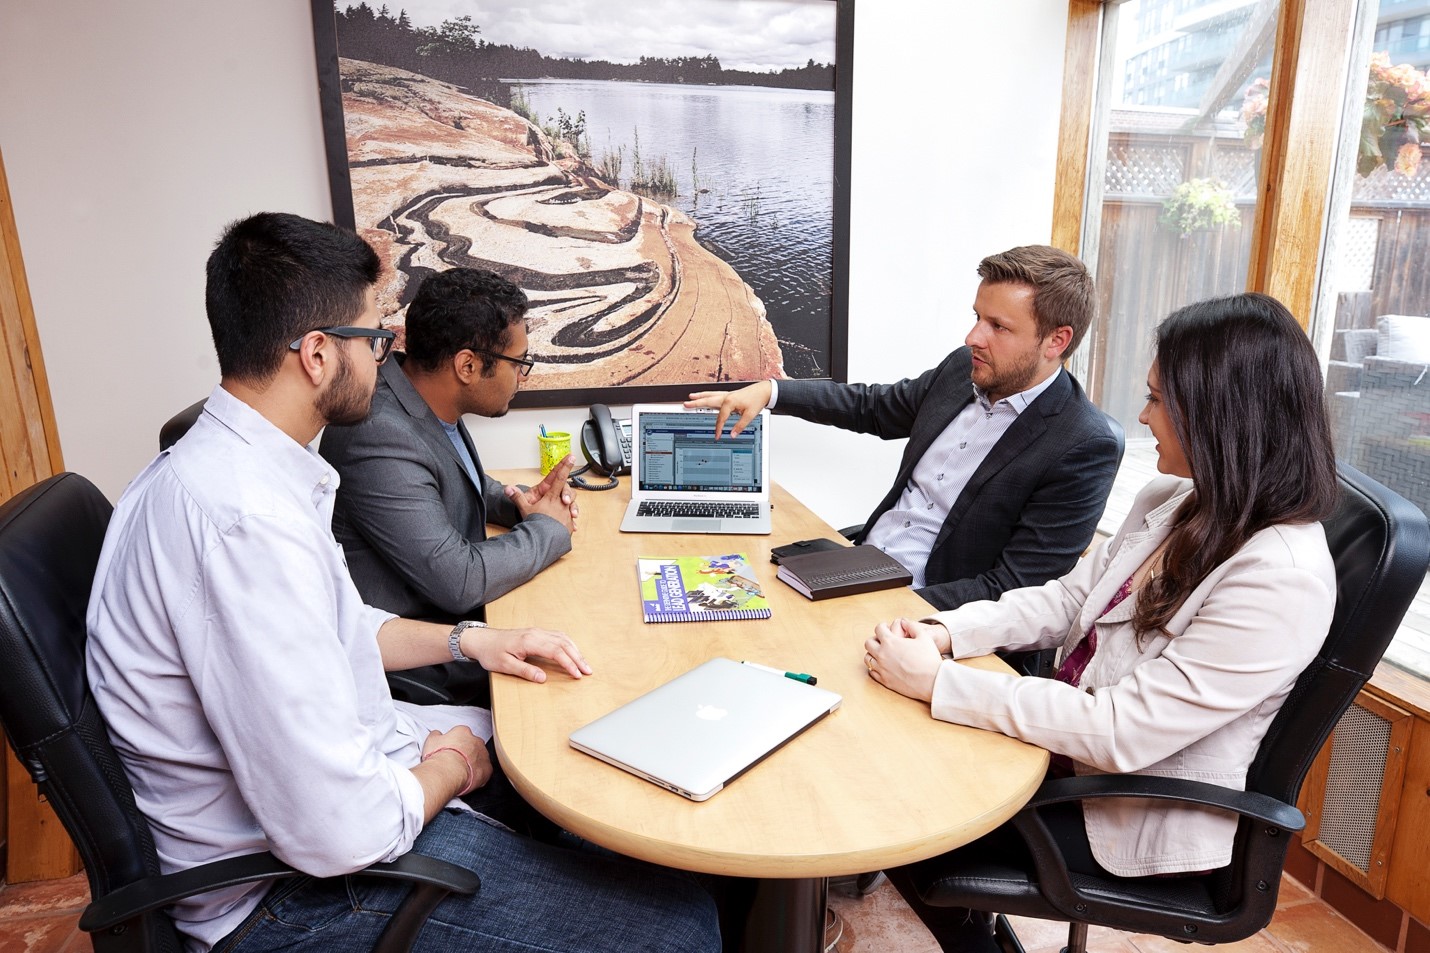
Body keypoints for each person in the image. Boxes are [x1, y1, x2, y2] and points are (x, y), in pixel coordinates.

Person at [85, 212, 719, 953]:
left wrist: (473, 638)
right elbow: (338, 827)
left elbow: (345, 625)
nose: (386, 357)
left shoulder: (229, 473)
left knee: (587, 773)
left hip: (340, 809)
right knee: (680, 928)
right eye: (374, 338)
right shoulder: (242, 524)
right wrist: (451, 763)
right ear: (318, 354)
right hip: (292, 901)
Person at [862, 292, 1339, 951]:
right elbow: (1065, 599)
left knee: (904, 810)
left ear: (1220, 417)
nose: (1142, 418)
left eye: (1157, 401)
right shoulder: (1176, 498)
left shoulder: (1281, 576)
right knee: (892, 757)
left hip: (1119, 810)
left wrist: (939, 683)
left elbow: (1122, 732)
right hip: (1068, 757)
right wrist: (948, 633)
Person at [686, 245, 1121, 611]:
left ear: (1056, 342)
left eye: (998, 327)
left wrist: (892, 611)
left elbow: (1014, 589)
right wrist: (772, 391)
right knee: (711, 590)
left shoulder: (1083, 444)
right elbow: (873, 407)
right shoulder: (963, 369)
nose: (973, 337)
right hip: (860, 569)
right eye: (977, 317)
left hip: (925, 615)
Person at [319, 268, 577, 703]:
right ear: (468, 366)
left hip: (461, 628)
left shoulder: (416, 397)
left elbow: (443, 480)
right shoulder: (379, 433)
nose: (523, 377)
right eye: (520, 364)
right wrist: (548, 529)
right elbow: (458, 580)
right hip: (422, 669)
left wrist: (516, 502)